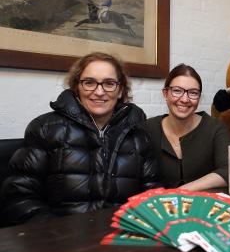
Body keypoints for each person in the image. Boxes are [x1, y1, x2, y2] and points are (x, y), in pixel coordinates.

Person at [0, 52, 158, 226]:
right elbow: (19, 198)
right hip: (59, 242)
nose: (99, 92)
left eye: (109, 83)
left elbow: (152, 195)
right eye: (89, 83)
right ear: (77, 87)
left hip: (122, 237)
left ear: (120, 90)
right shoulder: (45, 129)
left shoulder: (139, 134)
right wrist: (54, 233)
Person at [144, 64, 230, 190]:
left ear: (199, 97)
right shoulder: (148, 128)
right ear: (165, 93)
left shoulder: (216, 129)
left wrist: (180, 191)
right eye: (177, 91)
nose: (185, 99)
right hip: (159, 207)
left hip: (204, 206)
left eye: (193, 93)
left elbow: (229, 170)